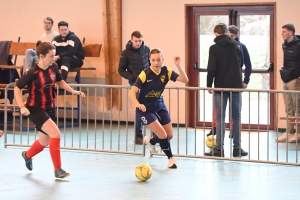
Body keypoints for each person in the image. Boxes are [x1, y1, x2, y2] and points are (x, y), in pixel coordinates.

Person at [14, 42, 85, 178]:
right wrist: (21, 107)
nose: (54, 58)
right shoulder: (32, 73)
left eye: (54, 55)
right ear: (41, 56)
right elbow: (17, 88)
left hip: (49, 108)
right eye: (51, 56)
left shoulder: (53, 67)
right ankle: (58, 169)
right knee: (56, 134)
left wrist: (73, 91)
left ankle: (27, 155)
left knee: (44, 142)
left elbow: (59, 81)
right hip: (35, 109)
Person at [128, 48, 189, 168]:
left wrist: (178, 66)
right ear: (150, 60)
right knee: (162, 134)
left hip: (159, 105)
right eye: (153, 60)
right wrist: (137, 104)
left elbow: (185, 80)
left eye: (158, 60)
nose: (156, 62)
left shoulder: (167, 71)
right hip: (145, 109)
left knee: (169, 135)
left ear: (162, 60)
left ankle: (150, 141)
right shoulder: (145, 73)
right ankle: (171, 158)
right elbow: (131, 93)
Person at [204, 23, 248, 157]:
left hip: (220, 86)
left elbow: (211, 68)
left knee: (220, 117)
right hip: (235, 85)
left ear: (215, 34)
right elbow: (241, 64)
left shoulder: (214, 48)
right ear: (227, 32)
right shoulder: (236, 45)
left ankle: (219, 149)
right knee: (236, 117)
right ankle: (237, 148)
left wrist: (209, 85)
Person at [118, 31, 151, 144]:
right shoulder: (125, 53)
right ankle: (138, 135)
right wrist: (132, 77)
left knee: (153, 106)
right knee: (139, 108)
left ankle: (156, 134)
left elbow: (150, 64)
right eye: (136, 41)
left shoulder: (146, 49)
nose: (138, 43)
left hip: (148, 82)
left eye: (140, 41)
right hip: (136, 83)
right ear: (131, 40)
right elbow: (121, 70)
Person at [277, 23, 300, 143]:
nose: (282, 34)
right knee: (289, 108)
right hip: (286, 78)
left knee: (298, 107)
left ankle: (298, 133)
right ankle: (289, 132)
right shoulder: (284, 45)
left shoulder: (298, 45)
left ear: (291, 33)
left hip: (295, 79)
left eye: (284, 32)